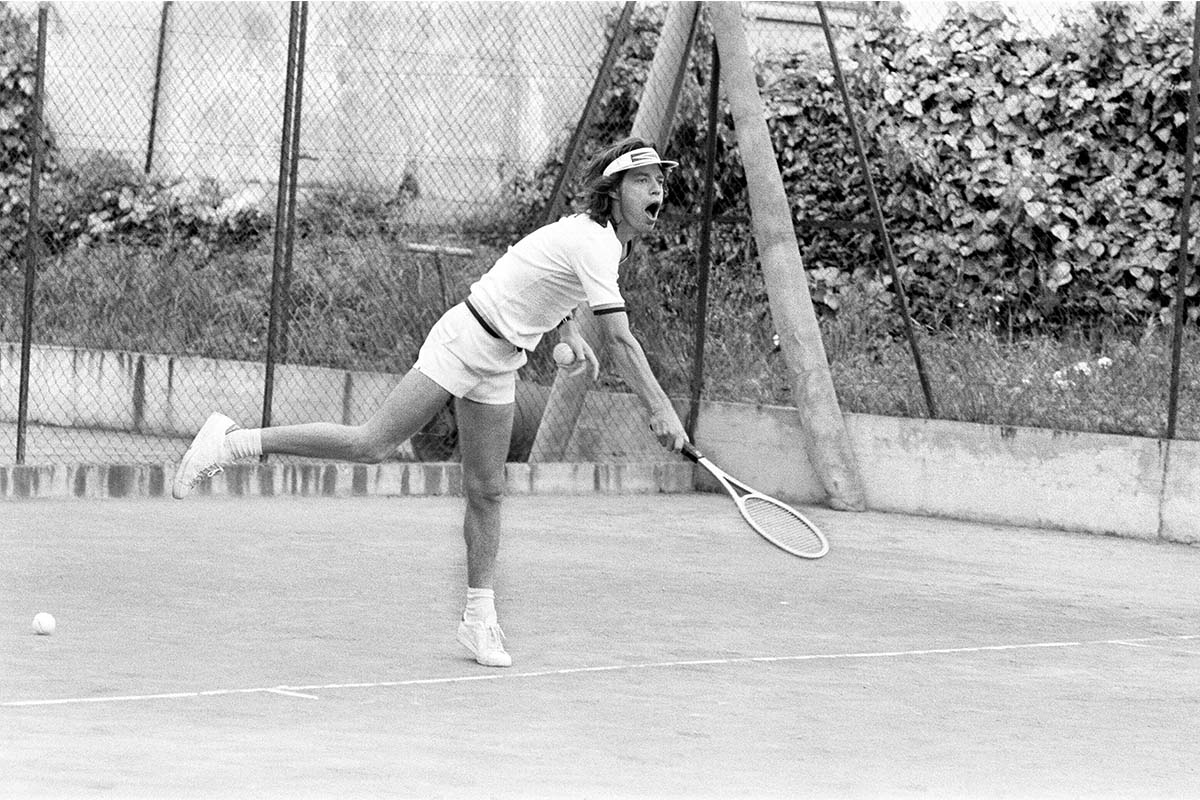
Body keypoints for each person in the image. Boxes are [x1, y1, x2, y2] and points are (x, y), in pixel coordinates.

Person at [171, 136, 690, 668]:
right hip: (465, 338)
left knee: (487, 490)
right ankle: (232, 443)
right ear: (614, 191)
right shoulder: (595, 242)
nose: (658, 189)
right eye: (643, 179)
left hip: (501, 358)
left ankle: (479, 621)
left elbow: (541, 271)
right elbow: (623, 339)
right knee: (372, 443)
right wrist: (661, 408)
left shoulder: (606, 243)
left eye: (659, 180)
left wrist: (567, 326)